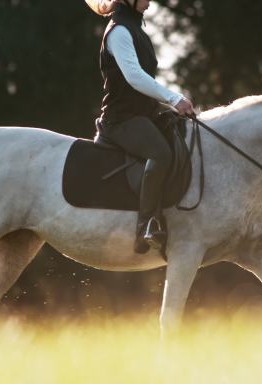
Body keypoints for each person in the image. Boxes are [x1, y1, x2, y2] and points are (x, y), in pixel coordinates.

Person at [85, 0, 195, 253]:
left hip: (142, 115)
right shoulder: (120, 31)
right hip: (120, 120)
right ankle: (146, 224)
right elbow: (134, 77)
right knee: (160, 153)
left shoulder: (135, 28)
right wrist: (175, 99)